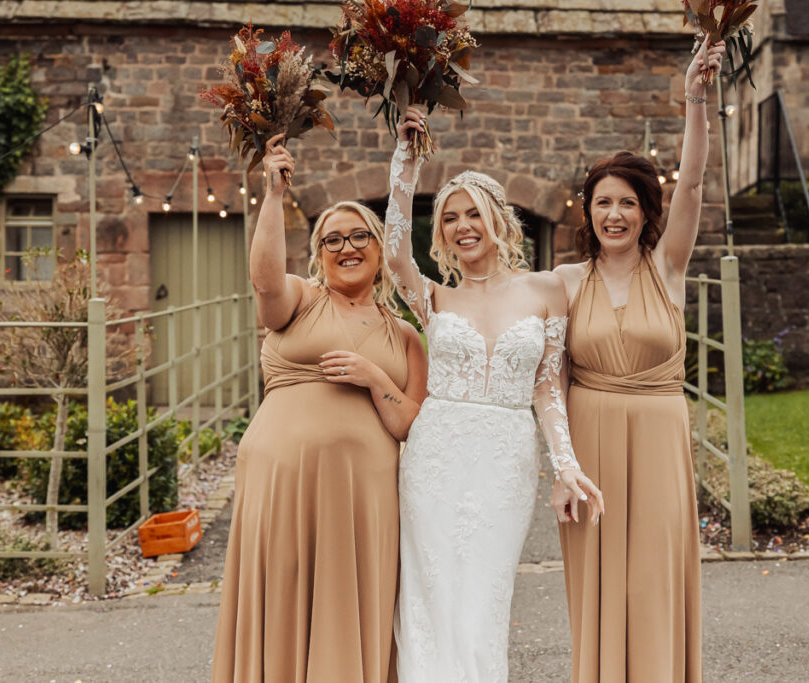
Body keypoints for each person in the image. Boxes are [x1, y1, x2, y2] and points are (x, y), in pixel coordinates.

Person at [385, 108, 605, 683]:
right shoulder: (434, 298)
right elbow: (393, 254)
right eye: (452, 217)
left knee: (486, 593)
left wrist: (566, 467)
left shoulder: (545, 289)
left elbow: (547, 389)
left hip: (505, 457)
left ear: (496, 219)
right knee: (429, 591)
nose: (463, 225)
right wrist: (405, 165)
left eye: (473, 213)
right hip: (435, 456)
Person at [211, 134, 428, 683]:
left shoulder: (404, 335)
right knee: (283, 591)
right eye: (333, 240)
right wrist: (273, 192)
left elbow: (410, 423)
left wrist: (374, 377)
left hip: (363, 493)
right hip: (282, 481)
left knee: (346, 599)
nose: (346, 246)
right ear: (318, 253)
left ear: (380, 249)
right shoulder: (301, 300)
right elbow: (262, 278)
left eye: (359, 236)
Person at [550, 39, 726, 683]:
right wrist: (561, 469)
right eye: (603, 202)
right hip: (590, 445)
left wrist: (695, 99)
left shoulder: (668, 266)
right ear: (588, 212)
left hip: (657, 439)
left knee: (652, 576)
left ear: (646, 210)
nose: (614, 213)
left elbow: (697, 179)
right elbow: (553, 381)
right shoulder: (565, 283)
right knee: (599, 579)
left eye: (627, 201)